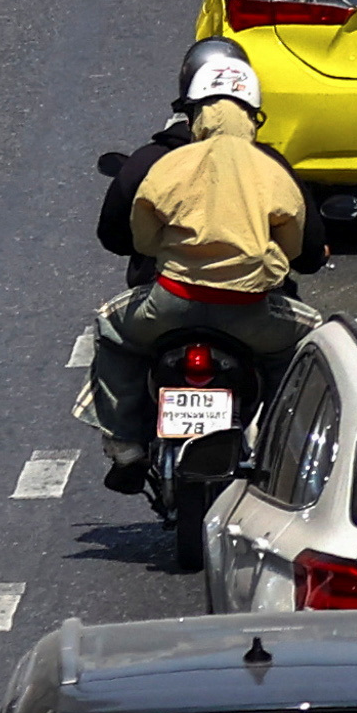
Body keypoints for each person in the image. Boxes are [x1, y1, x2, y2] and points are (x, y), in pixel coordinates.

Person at [86, 39, 317, 483]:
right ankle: (288, 444)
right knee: (313, 343)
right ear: (252, 115)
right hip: (251, 314)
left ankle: (125, 443)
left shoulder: (168, 164)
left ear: (194, 112)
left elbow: (142, 235)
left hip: (169, 304)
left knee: (111, 328)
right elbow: (292, 245)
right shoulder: (271, 168)